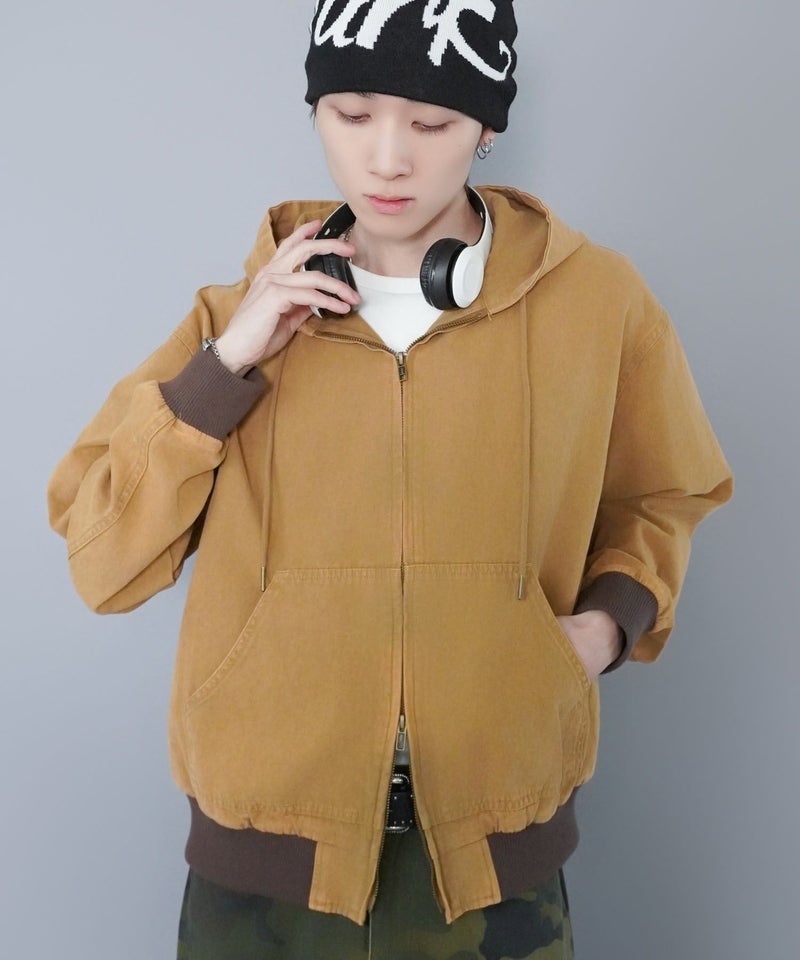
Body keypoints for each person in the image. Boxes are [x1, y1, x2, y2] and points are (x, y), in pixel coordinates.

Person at [47, 2, 733, 957]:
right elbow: (101, 561)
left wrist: (604, 627)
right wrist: (228, 364)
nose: (387, 158)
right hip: (263, 875)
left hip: (496, 873)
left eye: (432, 121)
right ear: (316, 110)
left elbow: (665, 492)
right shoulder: (230, 323)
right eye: (353, 114)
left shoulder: (597, 303)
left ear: (487, 126)